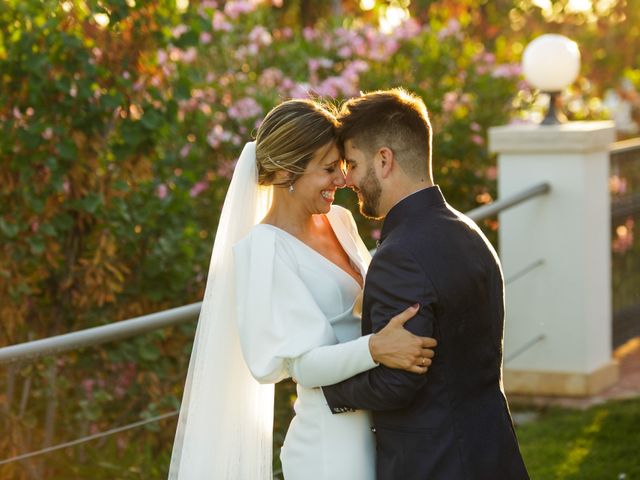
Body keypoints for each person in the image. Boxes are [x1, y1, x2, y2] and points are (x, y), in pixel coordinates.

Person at [168, 99, 437, 479]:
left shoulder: (341, 222)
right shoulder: (263, 249)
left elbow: (359, 306)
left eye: (343, 167)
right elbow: (303, 366)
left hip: (382, 423)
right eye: (328, 169)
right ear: (283, 173)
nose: (343, 181)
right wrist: (376, 348)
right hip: (331, 446)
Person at [321, 88, 530, 480]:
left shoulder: (399, 254)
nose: (347, 179)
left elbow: (398, 383)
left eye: (352, 163)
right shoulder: (469, 232)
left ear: (385, 160)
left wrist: (321, 387)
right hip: (494, 453)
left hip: (434, 464)